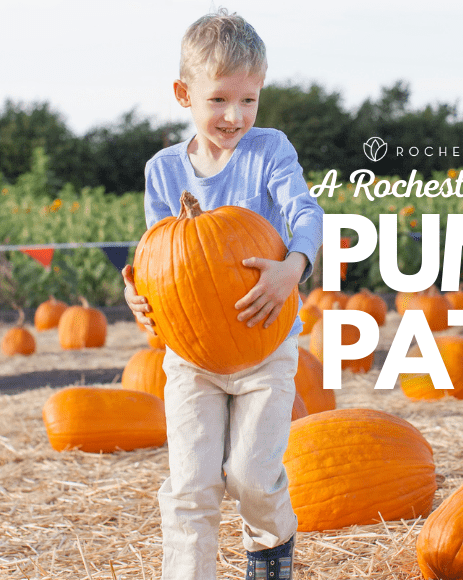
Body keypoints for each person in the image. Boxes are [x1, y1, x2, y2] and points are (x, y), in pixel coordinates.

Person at [121, 8, 323, 579]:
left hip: (265, 346)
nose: (235, 116)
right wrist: (136, 294)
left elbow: (305, 211)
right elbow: (155, 258)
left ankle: (271, 544)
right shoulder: (162, 171)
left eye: (249, 100)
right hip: (191, 358)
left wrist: (292, 266)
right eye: (218, 100)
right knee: (190, 484)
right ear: (184, 93)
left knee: (252, 478)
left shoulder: (269, 151)